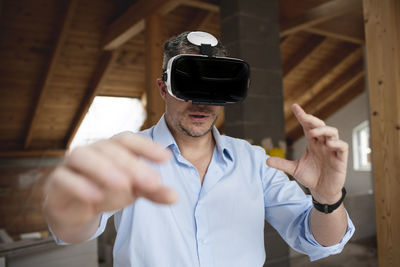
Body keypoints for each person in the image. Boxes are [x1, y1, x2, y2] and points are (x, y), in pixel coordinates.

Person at [44, 31, 355, 267]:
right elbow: (71, 233)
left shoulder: (255, 162)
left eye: (213, 88)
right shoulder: (126, 154)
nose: (203, 103)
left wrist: (327, 199)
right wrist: (73, 206)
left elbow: (321, 242)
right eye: (189, 85)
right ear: (163, 88)